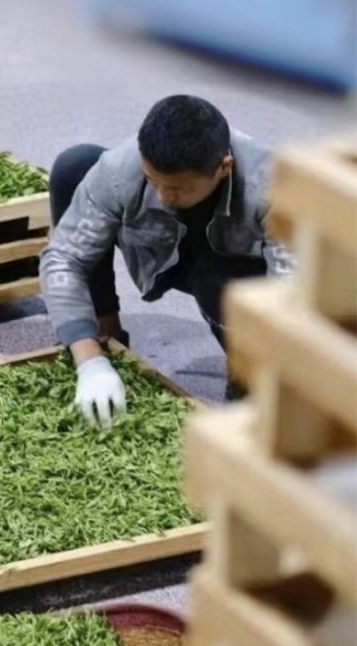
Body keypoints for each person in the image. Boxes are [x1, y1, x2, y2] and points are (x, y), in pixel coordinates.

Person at [40, 94, 293, 428]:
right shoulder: (122, 168)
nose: (161, 195)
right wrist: (89, 360)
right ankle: (104, 331)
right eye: (152, 179)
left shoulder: (275, 190)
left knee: (219, 283)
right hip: (157, 248)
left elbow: (294, 295)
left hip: (238, 271)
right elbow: (63, 258)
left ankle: (245, 373)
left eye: (176, 188)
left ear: (223, 167)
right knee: (76, 166)